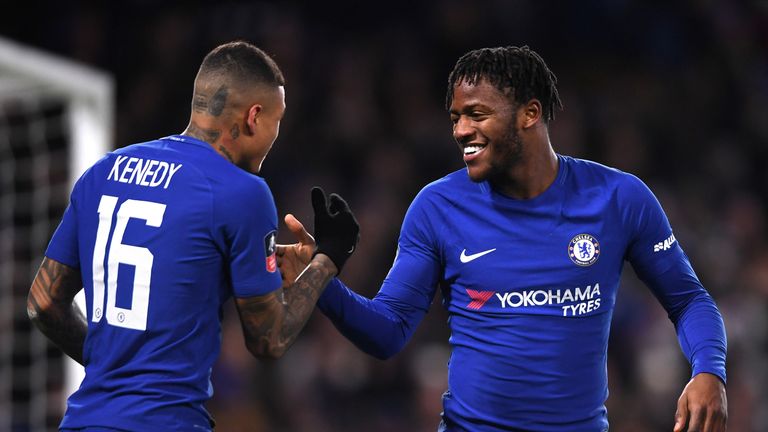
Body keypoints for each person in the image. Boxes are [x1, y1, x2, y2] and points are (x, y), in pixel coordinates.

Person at [276, 46, 727, 431]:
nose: (460, 131)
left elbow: (688, 300)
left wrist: (709, 371)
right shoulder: (438, 208)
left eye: (477, 114)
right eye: (455, 117)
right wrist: (321, 282)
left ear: (530, 113)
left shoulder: (619, 199)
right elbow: (388, 332)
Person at [26, 40, 359, 431]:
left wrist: (114, 368)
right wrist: (327, 260)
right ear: (254, 117)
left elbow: (43, 303)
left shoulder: (103, 171)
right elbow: (268, 339)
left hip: (85, 421)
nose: (276, 134)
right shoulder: (242, 192)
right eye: (277, 120)